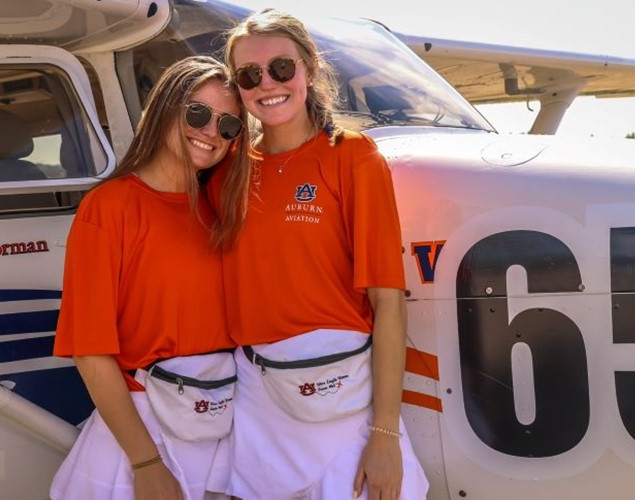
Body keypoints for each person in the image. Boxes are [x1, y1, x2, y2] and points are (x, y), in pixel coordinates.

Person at [221, 9, 430, 500]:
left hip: (343, 396)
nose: (267, 83)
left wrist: (385, 434)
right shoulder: (229, 170)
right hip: (258, 396)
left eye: (282, 68)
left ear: (310, 69)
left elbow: (388, 302)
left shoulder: (352, 157)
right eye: (249, 75)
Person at [50, 55, 250, 500]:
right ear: (165, 108)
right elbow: (90, 351)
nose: (210, 132)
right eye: (197, 113)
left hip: (222, 425)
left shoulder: (224, 210)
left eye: (229, 125)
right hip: (144, 433)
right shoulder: (109, 208)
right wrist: (146, 463)